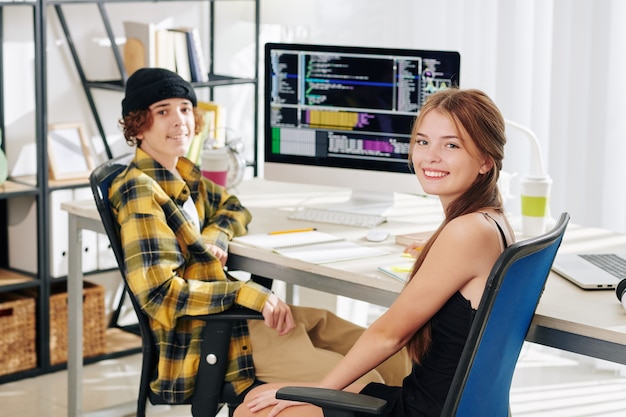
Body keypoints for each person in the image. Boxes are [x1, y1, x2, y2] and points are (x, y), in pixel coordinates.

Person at [109, 68, 410, 405]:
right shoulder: (140, 191)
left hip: (241, 324)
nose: (179, 120)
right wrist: (245, 293)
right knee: (367, 382)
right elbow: (158, 293)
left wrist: (216, 236)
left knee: (393, 356)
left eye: (184, 108)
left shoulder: (181, 175)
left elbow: (232, 207)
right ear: (137, 125)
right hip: (209, 341)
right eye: (162, 111)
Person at [234, 87, 515, 417]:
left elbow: (388, 336)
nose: (430, 156)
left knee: (254, 410)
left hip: (422, 411)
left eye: (451, 145)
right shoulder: (492, 222)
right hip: (448, 404)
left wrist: (317, 393)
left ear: (485, 160)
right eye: (423, 142)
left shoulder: (464, 232)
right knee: (267, 395)